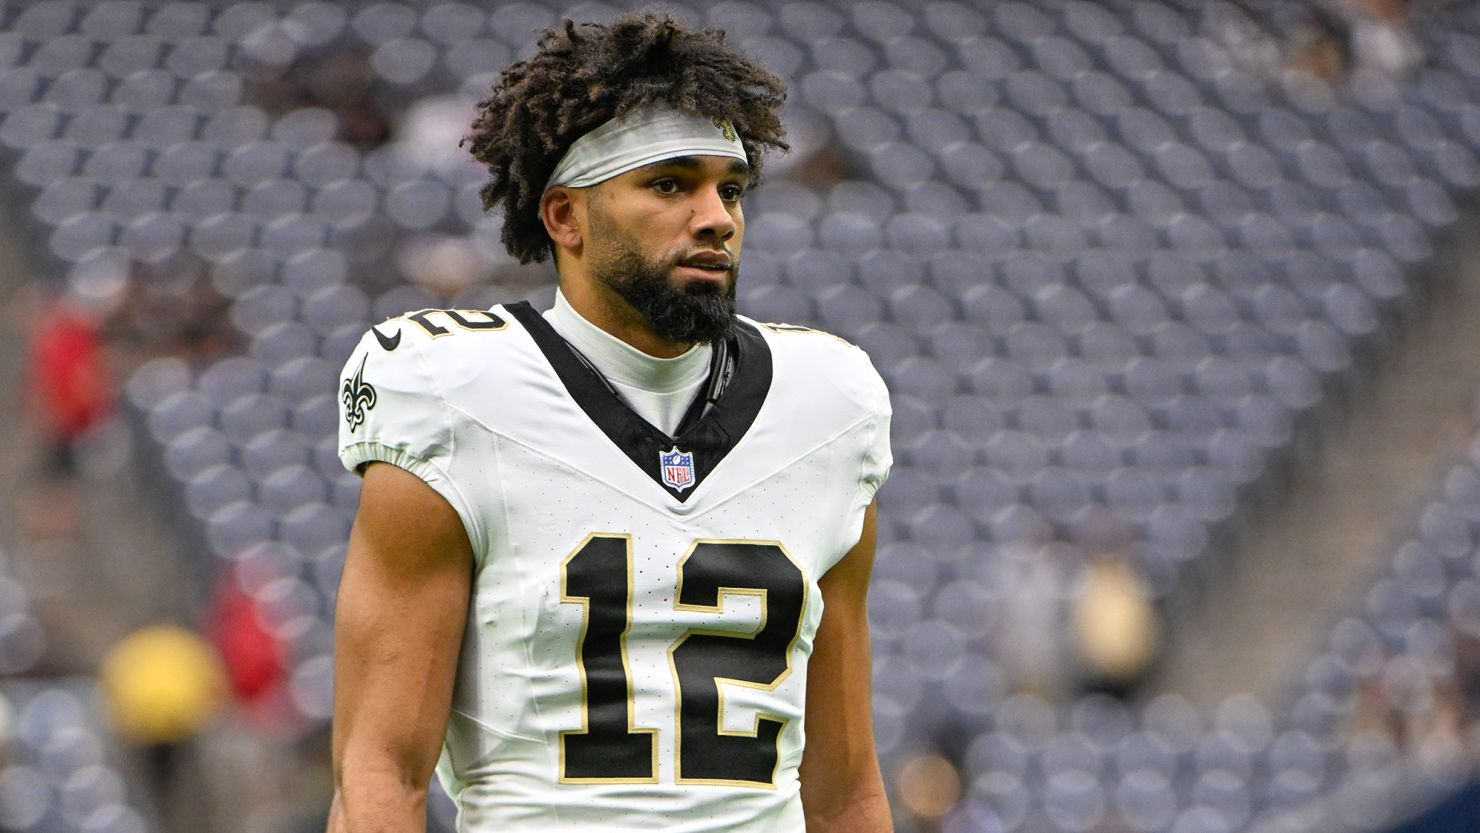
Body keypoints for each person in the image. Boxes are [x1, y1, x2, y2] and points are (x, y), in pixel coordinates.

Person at [327, 13, 894, 833]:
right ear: (566, 216)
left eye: (729, 188)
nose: (717, 218)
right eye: (670, 184)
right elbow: (378, 772)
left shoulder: (828, 403)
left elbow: (845, 792)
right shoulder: (455, 393)